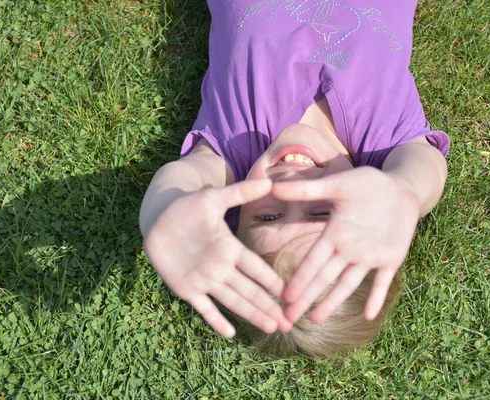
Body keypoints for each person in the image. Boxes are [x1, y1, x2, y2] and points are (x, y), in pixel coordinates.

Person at [139, 0, 449, 358]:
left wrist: (164, 211)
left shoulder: (236, 151)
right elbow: (424, 163)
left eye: (268, 217)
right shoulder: (383, 143)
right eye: (321, 213)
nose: (288, 188)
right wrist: (406, 190)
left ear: (234, 218)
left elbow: (188, 177)